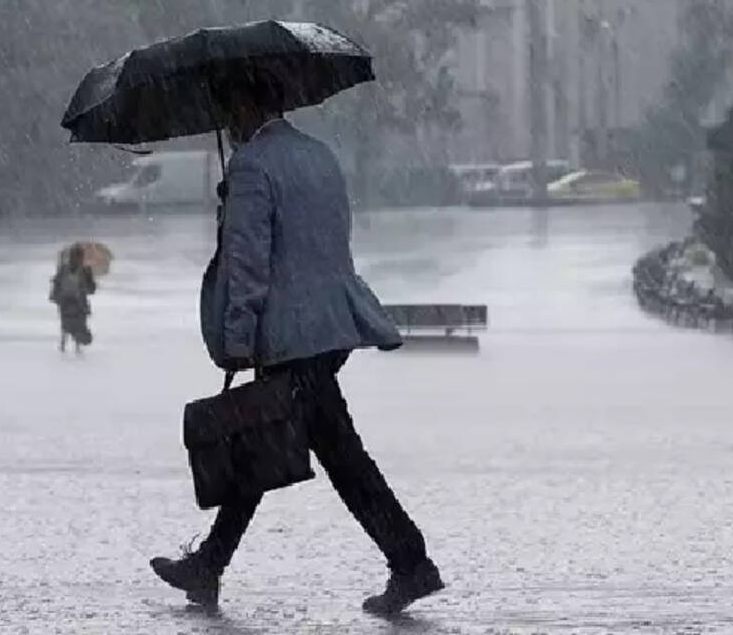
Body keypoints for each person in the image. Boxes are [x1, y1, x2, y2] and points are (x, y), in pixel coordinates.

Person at [149, 76, 443, 616]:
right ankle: (209, 565)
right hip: (329, 326)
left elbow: (248, 264)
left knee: (337, 456)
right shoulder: (318, 155)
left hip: (290, 337)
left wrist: (238, 340)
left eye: (227, 105)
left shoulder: (252, 167)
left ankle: (411, 562)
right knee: (264, 443)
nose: (225, 121)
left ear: (245, 101)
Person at [49, 244, 96, 354]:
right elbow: (57, 284)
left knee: (78, 327)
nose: (77, 259)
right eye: (75, 256)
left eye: (79, 256)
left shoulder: (85, 271)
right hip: (66, 303)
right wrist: (56, 297)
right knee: (66, 327)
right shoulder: (64, 270)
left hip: (79, 304)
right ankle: (64, 348)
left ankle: (76, 347)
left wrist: (88, 283)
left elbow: (91, 289)